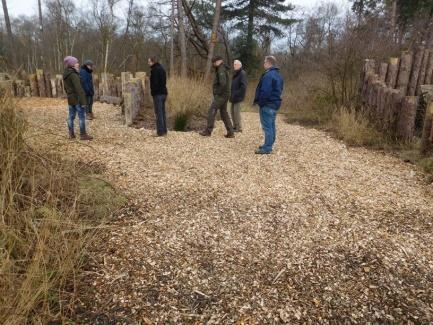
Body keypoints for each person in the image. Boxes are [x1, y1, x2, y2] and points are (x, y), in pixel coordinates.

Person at [253, 55, 283, 154]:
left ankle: (267, 148)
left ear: (269, 63)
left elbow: (265, 91)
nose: (263, 64)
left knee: (267, 127)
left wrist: (261, 103)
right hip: (274, 103)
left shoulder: (268, 75)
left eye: (264, 62)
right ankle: (268, 144)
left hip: (267, 104)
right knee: (271, 125)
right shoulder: (278, 75)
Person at [200, 56, 235, 138]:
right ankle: (230, 132)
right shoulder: (222, 68)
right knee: (223, 113)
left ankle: (208, 131)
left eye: (215, 62)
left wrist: (217, 93)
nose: (214, 63)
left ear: (219, 61)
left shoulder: (221, 69)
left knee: (211, 110)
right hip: (225, 94)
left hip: (221, 95)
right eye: (213, 62)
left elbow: (223, 83)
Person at [63, 56, 93, 140]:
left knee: (71, 116)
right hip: (77, 99)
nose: (78, 64)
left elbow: (65, 88)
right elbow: (79, 89)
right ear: (72, 64)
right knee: (81, 117)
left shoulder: (66, 73)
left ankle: (71, 134)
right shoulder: (73, 75)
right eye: (76, 62)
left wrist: (69, 94)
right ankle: (83, 134)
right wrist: (83, 102)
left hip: (70, 98)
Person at [148, 56, 168, 136]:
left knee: (158, 113)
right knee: (162, 112)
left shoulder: (155, 70)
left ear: (153, 62)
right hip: (164, 93)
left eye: (149, 62)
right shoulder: (162, 69)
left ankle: (160, 132)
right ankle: (164, 131)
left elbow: (155, 83)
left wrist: (153, 92)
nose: (148, 63)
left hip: (158, 94)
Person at [230, 60, 248, 132]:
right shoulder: (236, 73)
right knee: (232, 112)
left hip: (238, 97)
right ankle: (234, 126)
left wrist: (236, 93)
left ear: (239, 65)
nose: (233, 65)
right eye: (234, 64)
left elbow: (243, 86)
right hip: (233, 96)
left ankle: (239, 128)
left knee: (236, 112)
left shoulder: (242, 73)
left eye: (235, 64)